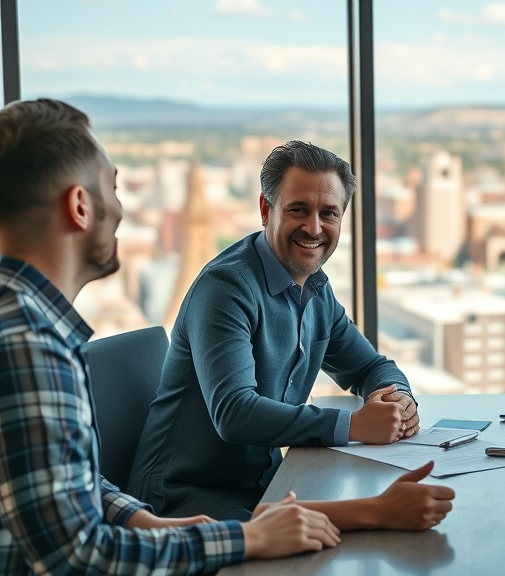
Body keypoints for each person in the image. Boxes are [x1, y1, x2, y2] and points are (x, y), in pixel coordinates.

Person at [0, 98, 343, 574]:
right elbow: (78, 555)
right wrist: (241, 539)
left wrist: (143, 521)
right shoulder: (28, 345)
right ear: (80, 206)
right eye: (112, 188)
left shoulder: (29, 326)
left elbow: (58, 480)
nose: (120, 210)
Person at [130, 141, 454, 525]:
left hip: (265, 487)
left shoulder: (316, 289)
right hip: (183, 500)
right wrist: (353, 425)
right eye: (298, 209)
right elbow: (234, 413)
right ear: (266, 209)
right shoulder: (225, 288)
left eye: (328, 213)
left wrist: (399, 400)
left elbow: (371, 367)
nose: (314, 227)